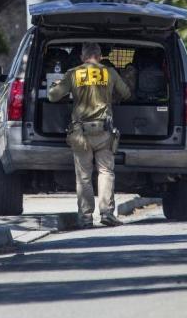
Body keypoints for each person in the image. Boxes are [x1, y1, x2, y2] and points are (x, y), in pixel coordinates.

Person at [48, 42, 131, 228]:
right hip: (104, 131)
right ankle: (107, 213)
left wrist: (56, 84)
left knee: (84, 176)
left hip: (80, 133)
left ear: (82, 57)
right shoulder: (109, 72)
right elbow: (126, 93)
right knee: (105, 172)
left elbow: (53, 96)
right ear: (100, 57)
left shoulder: (73, 73)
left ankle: (85, 218)